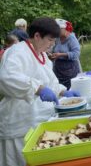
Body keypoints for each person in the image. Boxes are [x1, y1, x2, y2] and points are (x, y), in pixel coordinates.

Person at [0, 17, 80, 166]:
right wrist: (38, 88)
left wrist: (63, 91)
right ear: (37, 36)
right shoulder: (17, 52)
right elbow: (7, 78)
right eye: (50, 40)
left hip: (38, 119)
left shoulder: (42, 55)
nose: (52, 44)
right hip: (19, 124)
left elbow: (50, 83)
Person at [51, 19, 81, 89]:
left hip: (70, 70)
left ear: (64, 28)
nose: (56, 31)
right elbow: (54, 50)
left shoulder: (71, 38)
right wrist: (52, 55)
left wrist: (61, 55)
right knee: (60, 89)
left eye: (58, 29)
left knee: (71, 89)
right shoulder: (57, 38)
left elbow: (76, 54)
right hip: (58, 70)